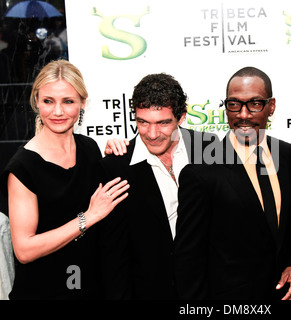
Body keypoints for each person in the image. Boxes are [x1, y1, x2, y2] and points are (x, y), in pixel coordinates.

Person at [0, 59, 130, 299]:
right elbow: (24, 250)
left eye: (68, 101)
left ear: (82, 103)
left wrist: (114, 154)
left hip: (90, 284)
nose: (57, 111)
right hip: (45, 289)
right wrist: (87, 218)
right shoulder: (23, 167)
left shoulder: (90, 148)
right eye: (48, 101)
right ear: (37, 103)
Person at [174, 67, 291, 300]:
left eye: (255, 104)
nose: (243, 114)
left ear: (271, 106)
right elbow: (189, 259)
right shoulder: (201, 172)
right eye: (234, 104)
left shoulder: (285, 154)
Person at [96, 73, 218, 299]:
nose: (152, 134)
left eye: (163, 123)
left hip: (206, 291)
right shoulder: (116, 167)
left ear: (181, 117)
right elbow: (113, 256)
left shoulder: (208, 147)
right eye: (143, 122)